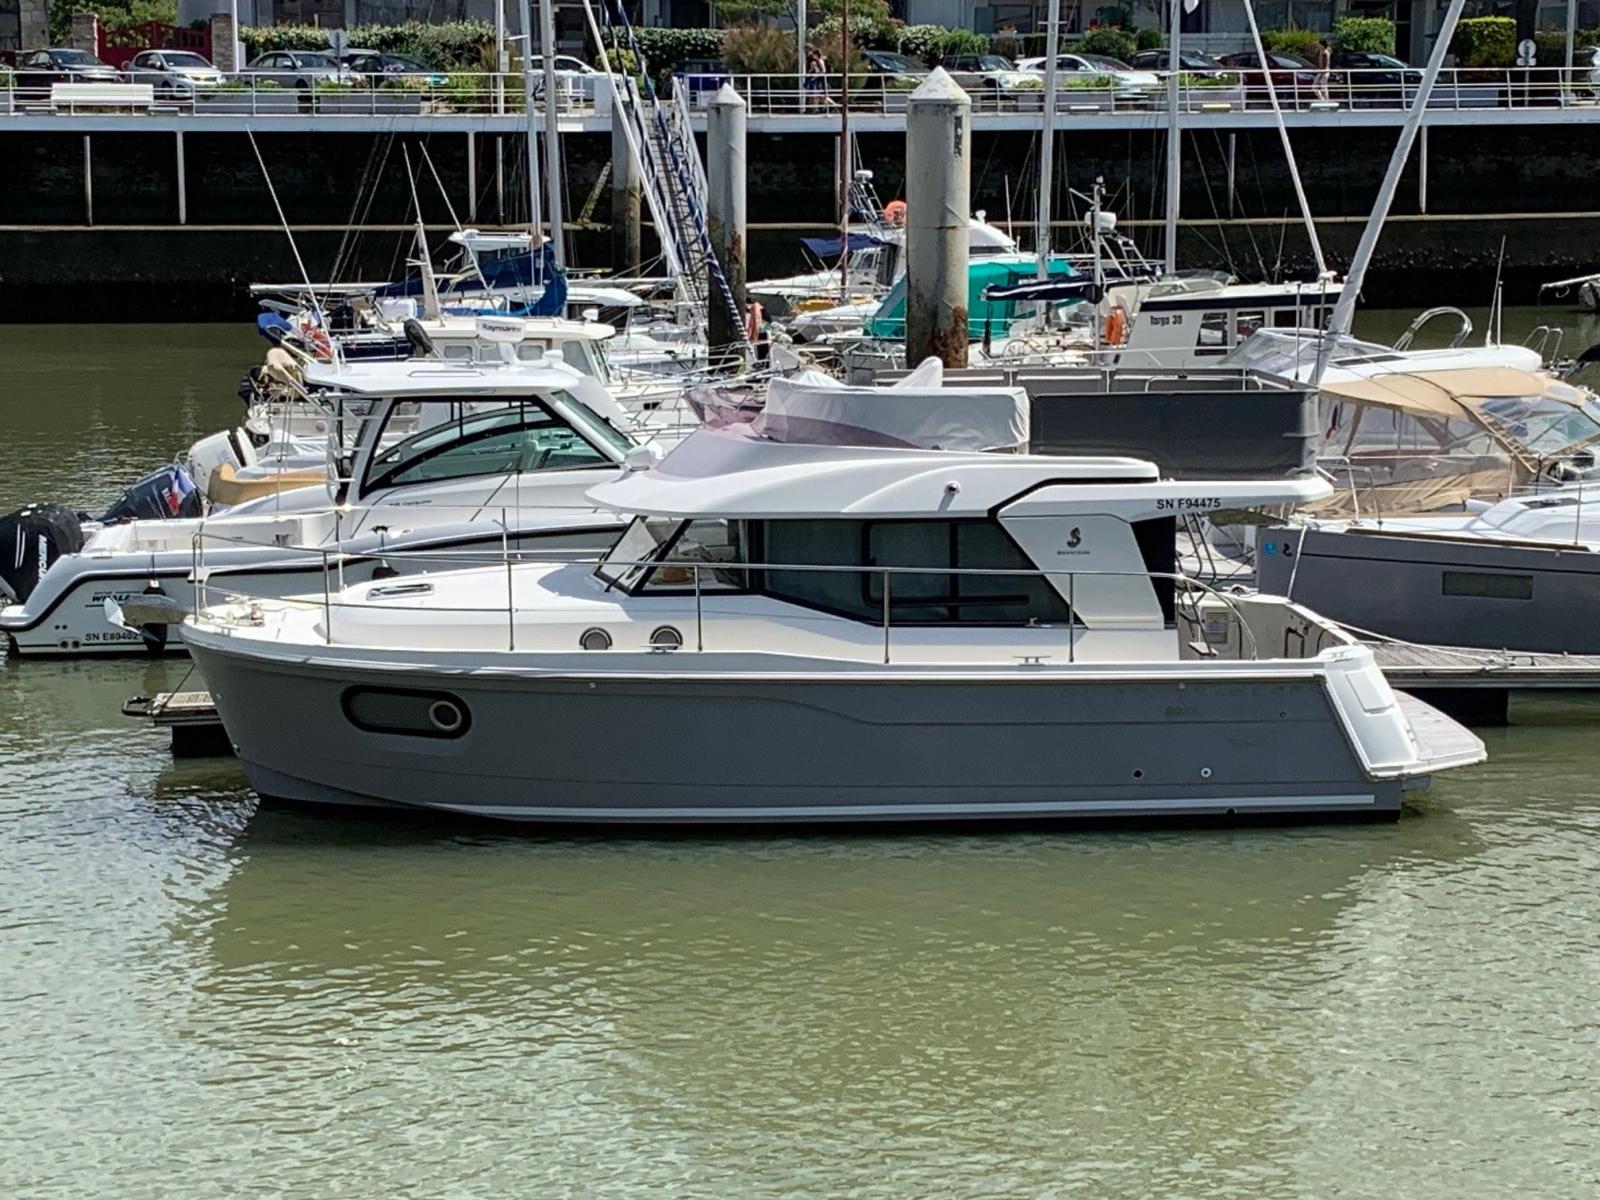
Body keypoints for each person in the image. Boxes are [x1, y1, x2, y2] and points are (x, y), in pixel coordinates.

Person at [1313, 38, 1332, 102]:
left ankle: (1326, 101)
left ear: (1322, 45)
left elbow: (1326, 64)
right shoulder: (1320, 52)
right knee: (1315, 87)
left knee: (1323, 87)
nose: (1318, 45)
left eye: (1319, 44)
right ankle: (1323, 99)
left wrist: (1322, 72)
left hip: (1324, 71)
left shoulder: (1325, 52)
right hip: (1321, 71)